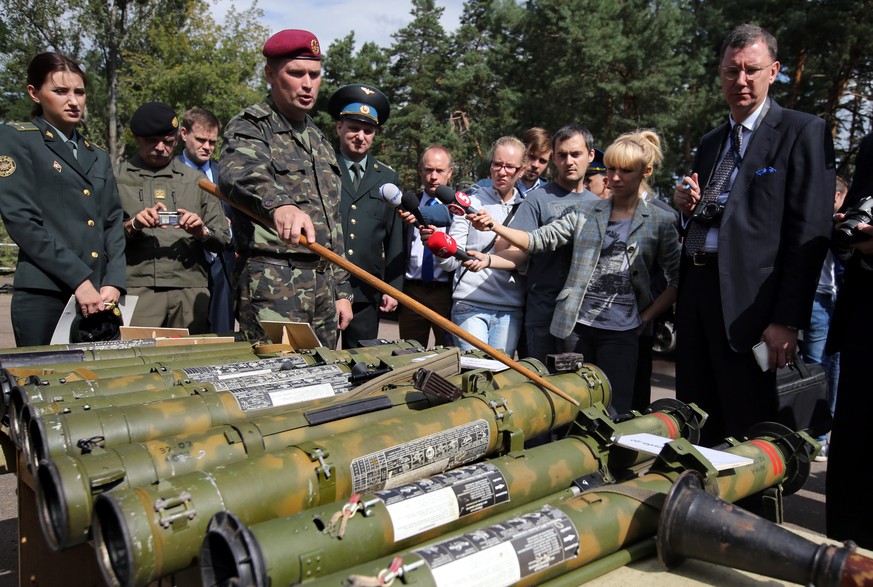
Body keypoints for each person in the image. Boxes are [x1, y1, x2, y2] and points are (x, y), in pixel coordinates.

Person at [672, 24, 834, 446]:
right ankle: (697, 506)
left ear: (775, 70)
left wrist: (786, 319)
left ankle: (744, 511)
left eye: (751, 69)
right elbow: (718, 216)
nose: (740, 80)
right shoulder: (711, 142)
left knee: (747, 429)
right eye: (730, 71)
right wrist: (688, 210)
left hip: (754, 307)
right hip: (697, 294)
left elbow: (809, 233)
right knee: (696, 418)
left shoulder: (802, 131)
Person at [468, 130, 680, 413]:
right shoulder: (587, 212)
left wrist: (645, 318)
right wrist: (494, 227)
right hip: (577, 329)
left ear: (645, 172)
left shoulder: (661, 222)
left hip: (622, 334)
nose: (615, 178)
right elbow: (539, 240)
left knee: (615, 410)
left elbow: (677, 280)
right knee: (573, 409)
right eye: (611, 169)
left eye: (625, 171)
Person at [218, 29, 353, 348]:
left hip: (322, 286)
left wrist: (342, 290)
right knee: (274, 383)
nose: (308, 84)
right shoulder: (251, 126)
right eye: (296, 73)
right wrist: (280, 205)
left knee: (322, 379)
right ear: (270, 74)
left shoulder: (319, 140)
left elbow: (333, 224)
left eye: (315, 74)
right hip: (272, 283)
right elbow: (240, 173)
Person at [0, 52, 126, 346]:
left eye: (79, 92)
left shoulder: (97, 155)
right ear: (34, 93)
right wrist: (79, 280)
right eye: (61, 91)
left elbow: (112, 222)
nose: (74, 100)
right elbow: (22, 222)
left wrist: (114, 280)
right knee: (43, 385)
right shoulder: (17, 139)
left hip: (99, 296)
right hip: (47, 295)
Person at [117, 101, 230, 334]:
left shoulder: (197, 181)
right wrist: (133, 225)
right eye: (152, 141)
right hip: (138, 289)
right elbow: (100, 239)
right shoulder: (116, 178)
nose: (160, 148)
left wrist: (201, 231)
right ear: (136, 137)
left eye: (168, 142)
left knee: (190, 365)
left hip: (189, 290)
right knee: (137, 363)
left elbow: (222, 239)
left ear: (177, 139)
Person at [511, 124, 600, 363]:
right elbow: (517, 248)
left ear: (590, 156)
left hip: (583, 320)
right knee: (542, 390)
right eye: (562, 155)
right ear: (554, 158)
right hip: (543, 315)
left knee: (579, 391)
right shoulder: (537, 200)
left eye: (576, 154)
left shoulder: (599, 206)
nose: (569, 161)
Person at [434, 136, 527, 356]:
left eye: (510, 167)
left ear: (521, 171)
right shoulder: (469, 202)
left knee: (499, 377)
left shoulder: (527, 208)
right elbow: (449, 263)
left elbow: (527, 261)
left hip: (510, 308)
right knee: (475, 372)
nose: (502, 172)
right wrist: (437, 246)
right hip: (470, 304)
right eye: (497, 164)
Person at [327, 84, 403, 349]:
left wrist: (392, 287)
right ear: (339, 128)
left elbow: (395, 238)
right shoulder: (322, 168)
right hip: (323, 287)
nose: (360, 136)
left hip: (365, 291)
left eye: (368, 131)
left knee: (362, 367)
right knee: (317, 364)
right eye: (353, 128)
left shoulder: (387, 177)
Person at [825, 131, 873, 548]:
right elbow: (849, 242)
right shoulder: (871, 145)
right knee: (855, 425)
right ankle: (847, 541)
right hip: (864, 315)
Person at [798, 176, 848, 461]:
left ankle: (823, 434)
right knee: (816, 366)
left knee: (835, 367)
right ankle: (814, 437)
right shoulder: (812, 218)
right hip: (817, 296)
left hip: (835, 297)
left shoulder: (842, 222)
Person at [176, 107, 236, 333]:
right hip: (185, 262)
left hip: (222, 265)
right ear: (184, 134)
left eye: (212, 142)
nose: (207, 147)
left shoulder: (226, 174)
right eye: (201, 140)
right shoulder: (169, 172)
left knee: (222, 335)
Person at [397, 145, 455, 347]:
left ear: (450, 172)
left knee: (447, 353)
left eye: (440, 170)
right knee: (409, 352)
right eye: (429, 170)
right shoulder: (407, 204)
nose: (433, 176)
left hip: (445, 293)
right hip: (412, 291)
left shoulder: (458, 208)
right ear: (420, 171)